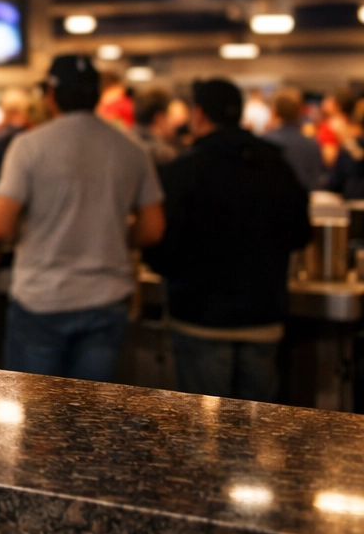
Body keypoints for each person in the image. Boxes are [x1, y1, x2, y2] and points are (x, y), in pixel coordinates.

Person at [0, 55, 165, 382]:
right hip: (106, 297)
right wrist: (114, 238)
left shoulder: (29, 146)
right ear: (96, 95)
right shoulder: (131, 149)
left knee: (37, 419)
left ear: (51, 95)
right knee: (90, 421)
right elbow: (153, 229)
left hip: (42, 298)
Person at [144, 80, 310, 402]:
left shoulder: (184, 171)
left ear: (200, 115)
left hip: (200, 317)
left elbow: (161, 244)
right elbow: (300, 234)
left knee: (205, 434)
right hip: (264, 315)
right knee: (258, 432)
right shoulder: (277, 167)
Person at [265, 88, 324, 192]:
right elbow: (314, 180)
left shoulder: (266, 142)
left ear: (275, 112)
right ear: (299, 112)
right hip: (301, 201)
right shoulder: (311, 144)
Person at [131, 88, 182, 167]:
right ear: (159, 118)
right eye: (170, 115)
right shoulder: (164, 155)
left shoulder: (126, 143)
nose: (174, 122)